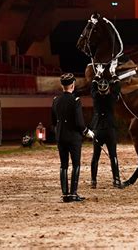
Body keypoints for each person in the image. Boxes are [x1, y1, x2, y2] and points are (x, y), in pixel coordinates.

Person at [51, 73, 95, 202]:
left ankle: (65, 194)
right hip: (73, 138)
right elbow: (79, 123)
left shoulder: (55, 100)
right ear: (73, 85)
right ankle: (73, 193)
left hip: (60, 136)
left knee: (63, 165)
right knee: (76, 164)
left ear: (62, 86)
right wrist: (87, 131)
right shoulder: (76, 101)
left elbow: (53, 121)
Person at [90, 63, 124, 189]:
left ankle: (93, 181)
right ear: (108, 89)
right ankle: (116, 180)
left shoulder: (95, 96)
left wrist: (98, 74)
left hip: (98, 128)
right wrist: (113, 72)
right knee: (113, 155)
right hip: (110, 129)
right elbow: (118, 86)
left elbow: (92, 85)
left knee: (95, 157)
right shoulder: (112, 97)